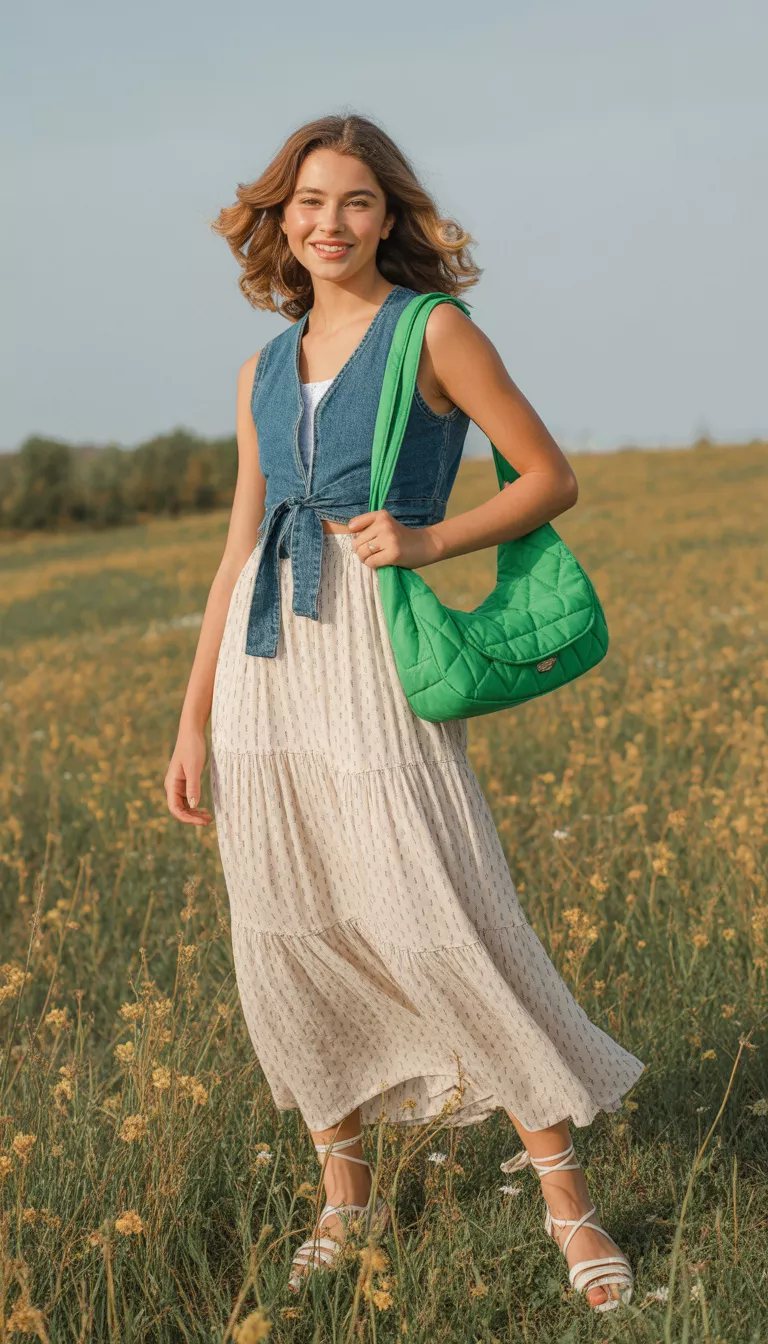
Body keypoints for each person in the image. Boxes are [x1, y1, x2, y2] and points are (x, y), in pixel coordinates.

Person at [164, 113, 643, 1312]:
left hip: (376, 654)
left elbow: (549, 476)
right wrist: (191, 720)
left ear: (392, 219)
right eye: (309, 203)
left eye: (358, 203)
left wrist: (429, 536)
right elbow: (238, 550)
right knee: (289, 922)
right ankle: (345, 1200)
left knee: (436, 911)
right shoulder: (260, 369)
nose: (330, 223)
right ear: (278, 218)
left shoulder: (435, 331)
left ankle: (569, 1208)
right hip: (266, 670)